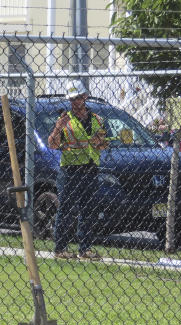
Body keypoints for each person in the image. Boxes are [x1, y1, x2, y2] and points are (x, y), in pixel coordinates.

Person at [47, 80, 109, 260]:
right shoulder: (65, 120)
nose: (75, 101)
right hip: (70, 171)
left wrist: (101, 143)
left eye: (78, 97)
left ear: (85, 97)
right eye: (72, 98)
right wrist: (58, 128)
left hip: (90, 169)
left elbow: (104, 144)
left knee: (88, 210)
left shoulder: (98, 119)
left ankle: (85, 249)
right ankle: (61, 249)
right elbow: (53, 144)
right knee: (66, 209)